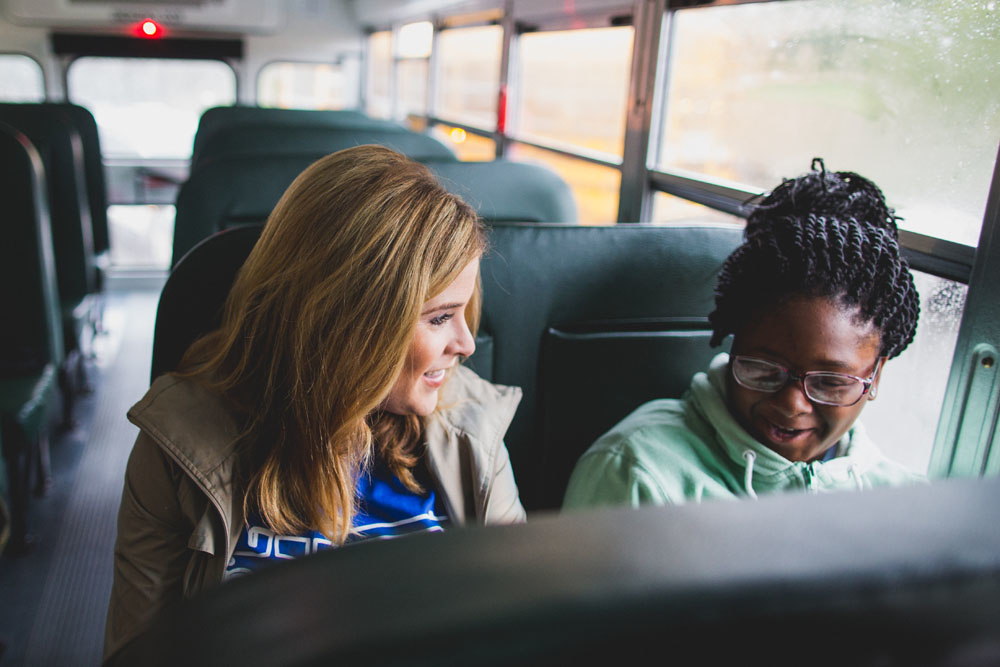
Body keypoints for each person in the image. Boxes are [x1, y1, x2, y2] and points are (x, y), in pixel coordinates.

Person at [104, 145, 525, 661]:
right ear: (346, 321)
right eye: (439, 318)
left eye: (463, 314)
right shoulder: (180, 443)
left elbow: (520, 635)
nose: (466, 344)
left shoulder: (472, 432)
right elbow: (136, 653)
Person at [563, 159, 923, 509]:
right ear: (736, 343)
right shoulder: (640, 472)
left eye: (830, 382)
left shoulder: (904, 502)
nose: (791, 404)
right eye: (764, 369)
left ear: (876, 374)